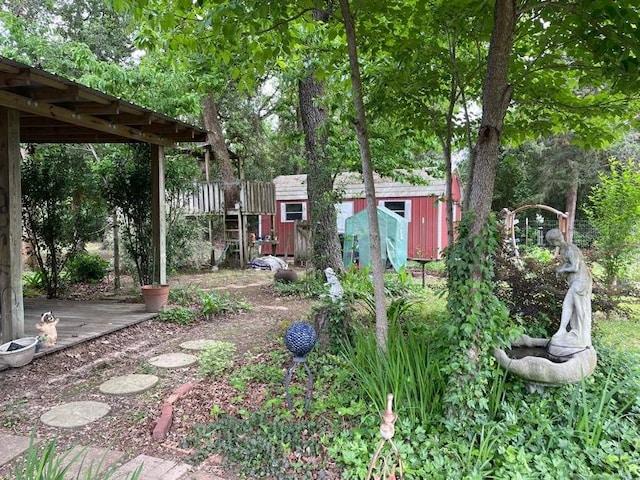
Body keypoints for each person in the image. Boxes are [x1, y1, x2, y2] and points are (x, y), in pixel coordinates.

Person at [545, 228, 593, 357]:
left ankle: (566, 331)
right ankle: (573, 331)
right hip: (575, 281)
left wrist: (560, 269)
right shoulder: (564, 250)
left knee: (570, 304)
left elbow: (575, 267)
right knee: (573, 306)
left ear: (555, 240)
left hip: (581, 281)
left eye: (551, 242)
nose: (552, 245)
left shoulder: (571, 249)